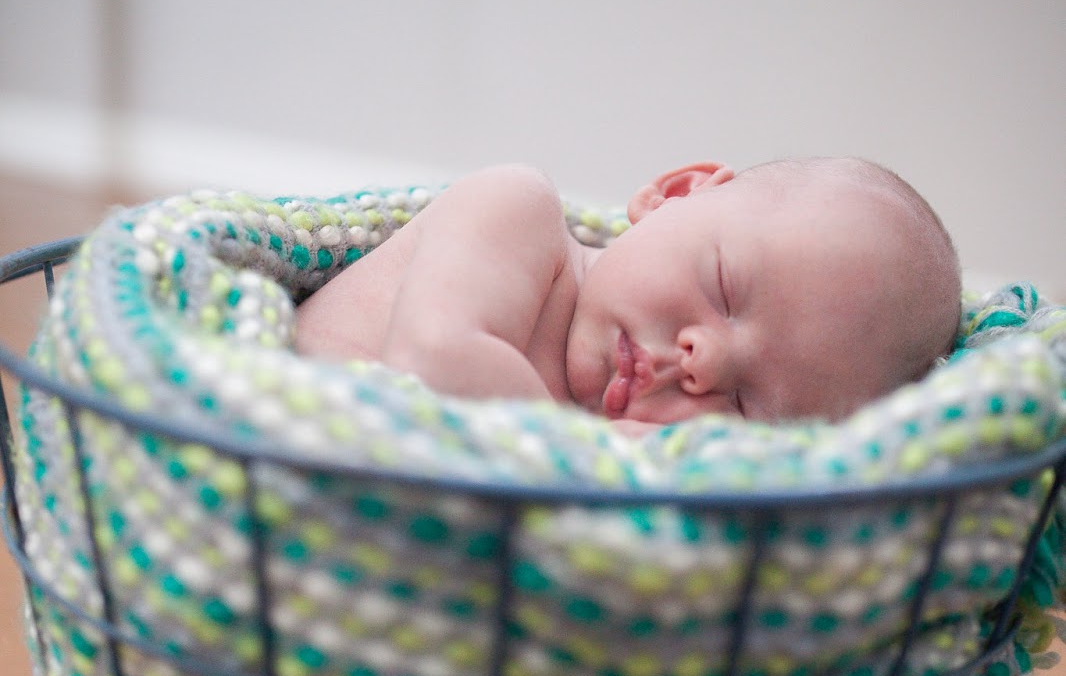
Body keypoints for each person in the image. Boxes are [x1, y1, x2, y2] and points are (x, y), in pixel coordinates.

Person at [294, 156, 961, 430]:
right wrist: (606, 468)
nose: (704, 360)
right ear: (674, 194)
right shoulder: (517, 214)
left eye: (749, 405)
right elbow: (432, 362)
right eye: (724, 290)